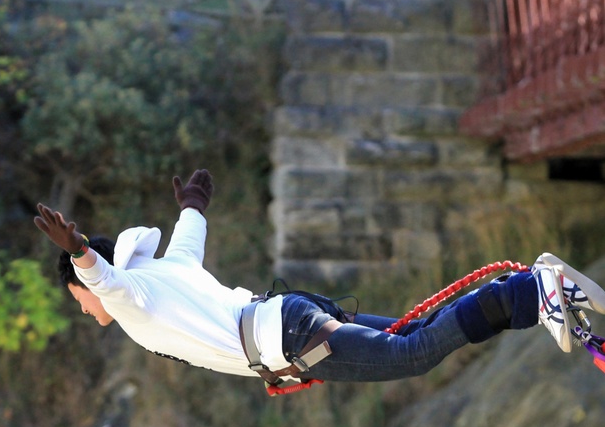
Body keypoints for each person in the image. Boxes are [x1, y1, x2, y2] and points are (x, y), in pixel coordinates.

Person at [34, 169, 605, 394]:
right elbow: (189, 232)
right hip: (288, 319)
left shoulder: (127, 294)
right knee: (423, 330)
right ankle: (540, 293)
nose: (84, 309)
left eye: (77, 300)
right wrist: (192, 201)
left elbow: (102, 280)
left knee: (414, 354)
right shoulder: (163, 271)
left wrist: (78, 250)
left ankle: (530, 292)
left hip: (292, 339)